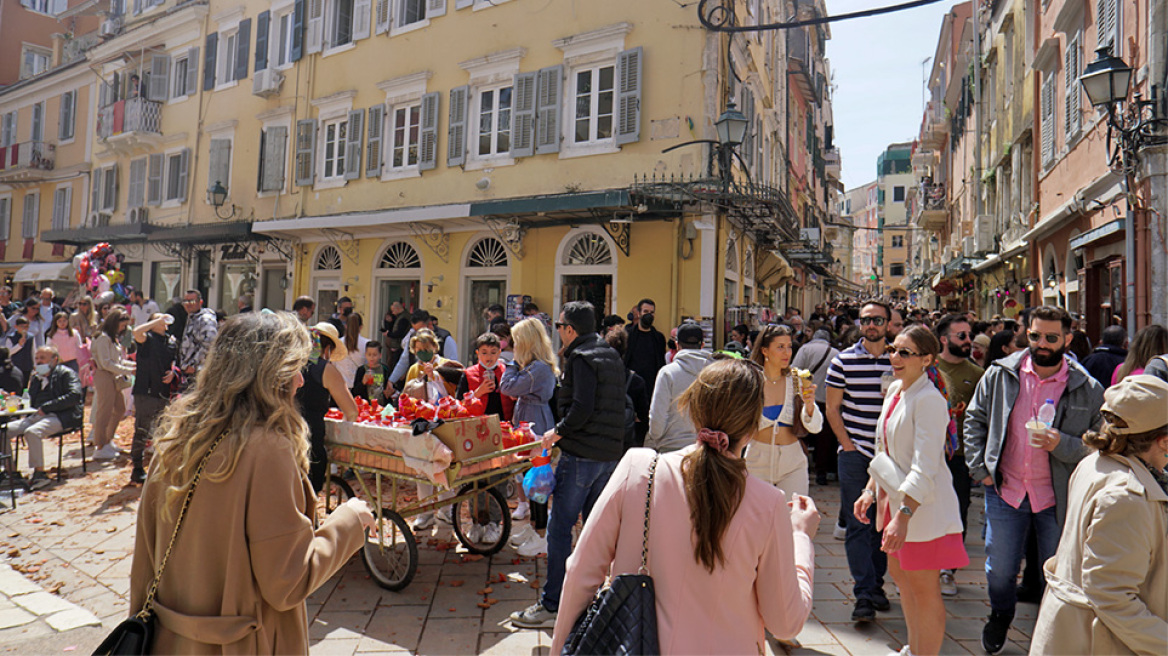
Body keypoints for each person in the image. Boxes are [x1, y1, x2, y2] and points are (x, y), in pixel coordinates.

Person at [127, 312, 373, 653]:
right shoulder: (268, 450)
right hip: (241, 644)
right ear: (268, 375)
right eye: (293, 369)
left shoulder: (177, 435)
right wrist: (349, 522)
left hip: (170, 640)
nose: (301, 381)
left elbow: (143, 562)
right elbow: (287, 581)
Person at [548, 358, 819, 655]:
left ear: (694, 411)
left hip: (633, 643)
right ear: (754, 426)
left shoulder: (639, 469)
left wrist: (561, 648)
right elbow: (785, 623)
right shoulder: (768, 503)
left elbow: (580, 572)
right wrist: (801, 538)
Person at [964, 305, 1104, 654]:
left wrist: (1064, 445)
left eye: (1051, 337)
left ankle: (1050, 633)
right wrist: (979, 469)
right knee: (1000, 571)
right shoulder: (1001, 374)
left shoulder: (1087, 387)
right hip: (1006, 490)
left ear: (1068, 339)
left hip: (1057, 497)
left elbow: (1101, 442)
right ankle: (1000, 614)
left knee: (1056, 574)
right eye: (1035, 335)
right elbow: (974, 419)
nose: (1042, 343)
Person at [1030, 374, 1168, 656]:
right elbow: (1112, 597)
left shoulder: (1095, 462)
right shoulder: (1126, 497)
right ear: (1164, 441)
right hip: (1096, 643)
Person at [511, 301, 626, 630]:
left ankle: (553, 604)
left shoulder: (581, 357)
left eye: (560, 326)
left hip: (582, 456)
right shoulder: (609, 354)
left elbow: (582, 407)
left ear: (571, 329)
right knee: (591, 531)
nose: (558, 331)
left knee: (560, 529)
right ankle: (588, 602)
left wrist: (557, 432)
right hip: (607, 455)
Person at [854, 326, 968, 656]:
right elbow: (883, 450)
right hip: (897, 503)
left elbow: (925, 466)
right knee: (902, 579)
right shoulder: (896, 392)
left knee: (922, 588)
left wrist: (903, 516)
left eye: (905, 352)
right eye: (893, 349)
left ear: (927, 359)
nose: (895, 357)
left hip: (921, 509)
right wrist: (869, 491)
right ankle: (914, 649)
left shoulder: (929, 400)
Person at [825, 300, 894, 622]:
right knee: (858, 524)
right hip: (856, 454)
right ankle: (863, 593)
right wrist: (848, 446)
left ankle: (877, 584)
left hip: (892, 457)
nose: (871, 325)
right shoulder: (843, 361)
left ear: (888, 323)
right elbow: (832, 409)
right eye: (866, 320)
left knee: (883, 524)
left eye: (877, 319)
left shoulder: (899, 359)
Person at [933, 314, 984, 596]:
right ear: (944, 340)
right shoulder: (927, 367)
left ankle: (947, 570)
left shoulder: (977, 374)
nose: (968, 341)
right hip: (928, 453)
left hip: (959, 455)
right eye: (961, 336)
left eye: (969, 335)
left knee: (957, 512)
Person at [499, 317, 559, 554]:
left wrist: (513, 363)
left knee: (538, 480)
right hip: (529, 418)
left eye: (516, 342)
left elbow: (507, 387)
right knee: (529, 476)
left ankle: (541, 533)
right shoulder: (535, 367)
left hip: (536, 423)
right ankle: (534, 527)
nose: (514, 347)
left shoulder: (538, 369)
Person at [747, 324, 822, 497]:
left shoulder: (796, 380)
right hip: (757, 460)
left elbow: (815, 427)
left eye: (789, 347)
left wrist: (809, 406)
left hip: (792, 462)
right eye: (780, 347)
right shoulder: (751, 381)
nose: (787, 352)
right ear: (765, 350)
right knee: (758, 520)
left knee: (794, 518)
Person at [7, 346, 83, 489]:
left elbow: (74, 396)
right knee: (4, 431)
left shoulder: (66, 374)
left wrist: (48, 407)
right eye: (37, 358)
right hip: (36, 416)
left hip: (61, 416)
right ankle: (10, 472)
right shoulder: (36, 378)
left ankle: (39, 474)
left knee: (32, 432)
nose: (39, 361)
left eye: (42, 358)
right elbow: (30, 400)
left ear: (54, 360)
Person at [296, 322, 358, 493]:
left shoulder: (289, 364)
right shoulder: (325, 369)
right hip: (309, 440)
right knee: (308, 495)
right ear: (328, 349)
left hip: (281, 435)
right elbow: (351, 411)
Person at [645, 322, 714, 452]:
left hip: (671, 448)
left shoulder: (667, 373)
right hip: (704, 450)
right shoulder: (714, 373)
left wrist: (657, 438)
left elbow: (657, 416)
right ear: (702, 345)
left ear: (677, 345)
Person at [129, 314, 176, 484]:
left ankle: (161, 467)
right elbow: (136, 331)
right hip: (145, 392)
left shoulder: (171, 341)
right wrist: (155, 321)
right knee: (142, 429)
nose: (163, 321)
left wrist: (173, 372)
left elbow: (175, 361)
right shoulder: (147, 339)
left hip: (163, 391)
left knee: (163, 429)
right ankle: (137, 467)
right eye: (158, 320)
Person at [791, 328, 840, 486]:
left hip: (807, 398)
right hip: (827, 400)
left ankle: (802, 469)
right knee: (824, 439)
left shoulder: (805, 349)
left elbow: (794, 370)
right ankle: (822, 473)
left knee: (801, 434)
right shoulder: (835, 353)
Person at [91, 308, 136, 461]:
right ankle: (100, 446)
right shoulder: (103, 338)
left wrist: (132, 367)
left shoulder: (112, 338)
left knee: (120, 408)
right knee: (104, 411)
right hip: (105, 376)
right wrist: (128, 371)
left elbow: (117, 360)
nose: (123, 329)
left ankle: (107, 441)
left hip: (113, 376)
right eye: (122, 325)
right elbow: (106, 363)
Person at [605, 329, 650, 449]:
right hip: (626, 439)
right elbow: (644, 415)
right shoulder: (636, 381)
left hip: (601, 438)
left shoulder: (597, 376)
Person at [624, 298, 666, 398]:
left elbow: (661, 362)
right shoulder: (627, 336)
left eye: (651, 312)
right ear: (638, 313)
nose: (649, 315)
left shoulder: (658, 338)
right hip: (631, 385)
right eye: (645, 311)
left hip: (651, 387)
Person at [178, 290, 218, 380]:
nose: (188, 304)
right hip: (188, 371)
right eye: (185, 301)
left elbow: (210, 342)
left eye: (191, 301)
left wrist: (193, 365)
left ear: (200, 302)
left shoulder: (206, 319)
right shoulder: (191, 317)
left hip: (199, 372)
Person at [335, 313, 370, 389]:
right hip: (360, 386)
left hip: (341, 387)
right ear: (361, 327)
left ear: (346, 326)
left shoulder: (337, 344)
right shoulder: (367, 344)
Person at [382, 300, 411, 365]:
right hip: (398, 346)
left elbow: (400, 333)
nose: (392, 313)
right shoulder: (400, 317)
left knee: (395, 364)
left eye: (393, 311)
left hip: (399, 347)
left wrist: (388, 334)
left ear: (397, 309)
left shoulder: (403, 318)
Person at [8, 317, 33, 388]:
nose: (24, 329)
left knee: (25, 385)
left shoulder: (31, 337)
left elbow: (33, 351)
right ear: (16, 326)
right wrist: (19, 345)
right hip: (15, 365)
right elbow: (9, 352)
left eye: (26, 327)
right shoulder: (11, 337)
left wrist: (35, 364)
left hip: (27, 365)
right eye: (22, 327)